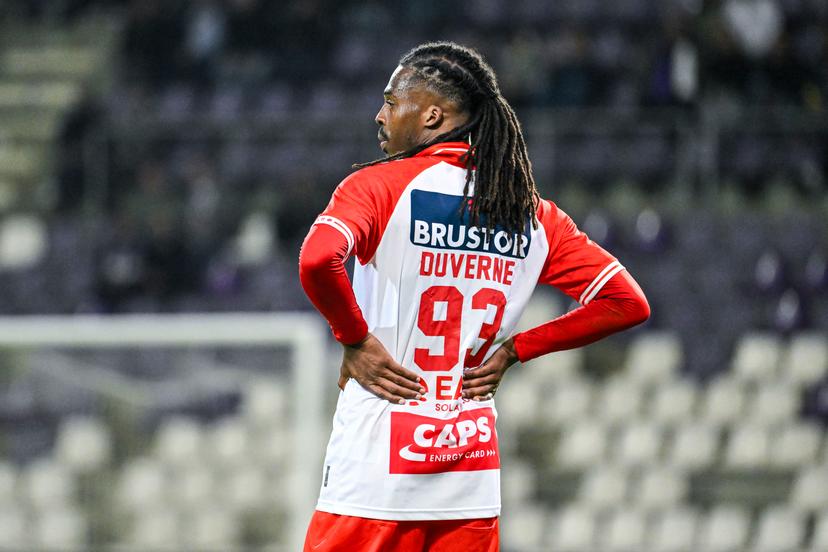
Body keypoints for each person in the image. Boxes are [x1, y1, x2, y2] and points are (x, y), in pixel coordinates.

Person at [298, 41, 650, 552]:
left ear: (433, 115)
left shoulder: (378, 187)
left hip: (375, 476)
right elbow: (627, 302)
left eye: (392, 101)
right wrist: (515, 350)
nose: (380, 115)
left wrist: (355, 338)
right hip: (469, 477)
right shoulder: (530, 212)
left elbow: (316, 259)